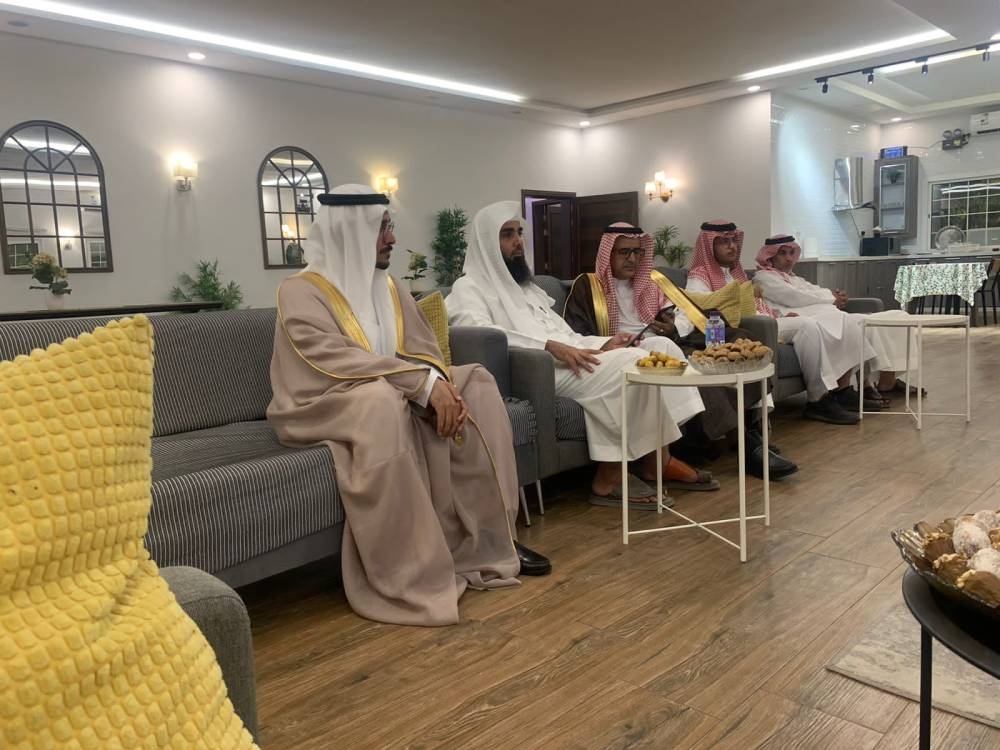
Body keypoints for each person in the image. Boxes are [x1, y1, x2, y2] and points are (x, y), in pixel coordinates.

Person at [267, 184, 550, 628]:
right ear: (350, 231)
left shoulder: (390, 287)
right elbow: (331, 360)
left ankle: (489, 542)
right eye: (381, 228)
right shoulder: (299, 291)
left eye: (390, 226)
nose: (392, 239)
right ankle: (412, 568)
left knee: (475, 382)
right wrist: (420, 384)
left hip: (390, 390)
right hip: (320, 401)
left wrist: (438, 384)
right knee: (380, 402)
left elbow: (422, 347)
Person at [447, 201, 718, 512]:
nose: (518, 241)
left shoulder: (526, 288)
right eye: (507, 234)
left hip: (571, 359)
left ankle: (657, 460)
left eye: (519, 232)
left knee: (660, 348)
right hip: (540, 370)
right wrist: (549, 346)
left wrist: (605, 343)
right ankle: (609, 479)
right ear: (486, 243)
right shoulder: (469, 287)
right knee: (633, 365)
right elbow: (482, 336)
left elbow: (568, 337)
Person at [564, 222, 797, 479]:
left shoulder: (653, 280)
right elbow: (578, 335)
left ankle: (749, 434)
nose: (632, 259)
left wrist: (673, 328)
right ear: (608, 253)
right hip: (627, 351)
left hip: (667, 340)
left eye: (637, 252)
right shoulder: (588, 286)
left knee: (740, 339)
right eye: (623, 252)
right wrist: (616, 342)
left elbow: (683, 310)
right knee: (692, 367)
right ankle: (746, 446)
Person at [687, 220, 862, 425]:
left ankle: (831, 394)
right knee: (807, 326)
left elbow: (758, 306)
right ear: (709, 246)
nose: (732, 246)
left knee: (809, 323)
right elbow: (703, 309)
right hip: (738, 329)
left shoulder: (737, 274)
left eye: (733, 240)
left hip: (768, 321)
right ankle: (819, 400)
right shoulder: (699, 276)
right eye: (724, 242)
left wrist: (778, 316)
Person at [754, 234, 921, 403]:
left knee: (898, 316)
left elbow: (814, 290)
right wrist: (831, 297)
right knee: (854, 322)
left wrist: (832, 296)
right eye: (782, 253)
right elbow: (796, 298)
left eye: (791, 253)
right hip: (802, 319)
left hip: (825, 313)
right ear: (770, 256)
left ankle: (887, 381)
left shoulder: (794, 278)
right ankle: (856, 387)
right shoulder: (764, 278)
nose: (789, 259)